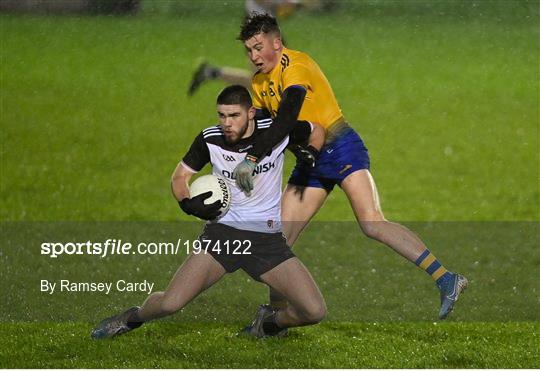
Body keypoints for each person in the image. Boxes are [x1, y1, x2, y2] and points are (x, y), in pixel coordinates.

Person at [231, 13, 468, 325]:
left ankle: (446, 278)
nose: (254, 56)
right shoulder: (259, 82)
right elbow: (264, 130)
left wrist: (251, 160)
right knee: (277, 241)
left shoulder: (296, 66)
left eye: (258, 47)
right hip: (310, 161)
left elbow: (287, 119)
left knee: (372, 223)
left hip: (341, 145)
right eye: (249, 50)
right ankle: (275, 316)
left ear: (277, 42)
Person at [90, 85, 326, 340]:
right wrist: (185, 202)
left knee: (314, 312)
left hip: (266, 241)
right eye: (221, 115)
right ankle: (130, 319)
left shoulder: (276, 132)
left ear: (251, 114)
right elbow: (180, 176)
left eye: (234, 115)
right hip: (221, 236)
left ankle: (268, 325)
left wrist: (310, 153)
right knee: (171, 303)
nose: (226, 123)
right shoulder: (210, 139)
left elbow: (318, 130)